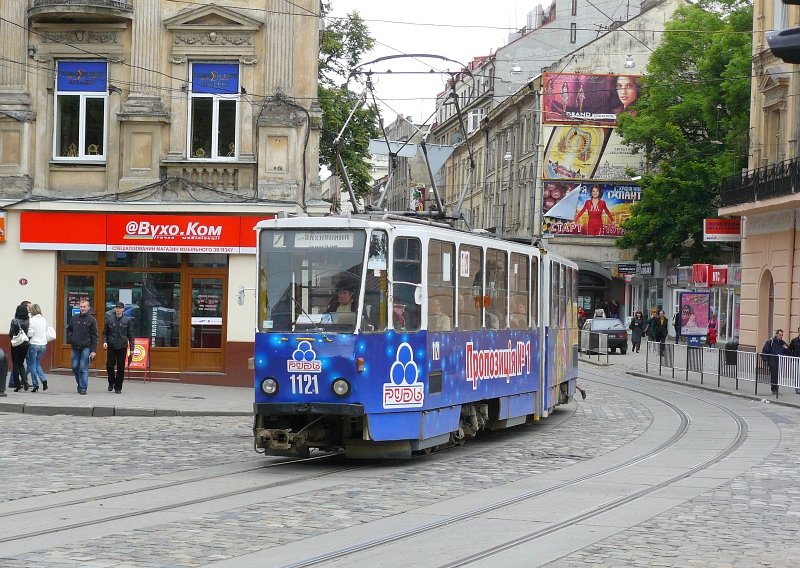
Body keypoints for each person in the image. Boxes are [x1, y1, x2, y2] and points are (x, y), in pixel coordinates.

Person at [67, 300, 98, 395]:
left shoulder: (91, 319)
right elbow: (69, 329)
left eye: (84, 307)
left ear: (88, 308)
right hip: (75, 346)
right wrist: (71, 338)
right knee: (74, 367)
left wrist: (93, 351)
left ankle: (83, 388)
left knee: (83, 368)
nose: (82, 308)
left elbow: (95, 336)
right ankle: (79, 384)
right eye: (81, 307)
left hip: (86, 347)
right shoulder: (74, 318)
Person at [103, 302, 135, 394]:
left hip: (122, 346)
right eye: (117, 307)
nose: (118, 309)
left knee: (121, 367)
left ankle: (118, 387)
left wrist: (132, 348)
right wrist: (105, 341)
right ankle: (111, 382)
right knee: (109, 365)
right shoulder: (109, 319)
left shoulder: (127, 320)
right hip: (111, 345)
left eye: (120, 308)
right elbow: (105, 332)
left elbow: (131, 335)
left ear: (123, 309)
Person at [26, 304, 49, 393]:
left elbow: (30, 333)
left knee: (32, 364)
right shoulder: (44, 319)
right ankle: (44, 380)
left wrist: (27, 335)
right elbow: (46, 331)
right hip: (43, 344)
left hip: (34, 344)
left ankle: (35, 385)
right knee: (37, 364)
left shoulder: (32, 320)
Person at [9, 303, 31, 392]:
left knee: (15, 363)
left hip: (16, 344)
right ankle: (25, 382)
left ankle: (17, 385)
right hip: (25, 343)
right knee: (21, 363)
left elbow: (11, 333)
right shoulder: (28, 321)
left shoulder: (14, 321)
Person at [762, 329, 787, 398]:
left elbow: (788, 351)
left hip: (780, 362)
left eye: (782, 335)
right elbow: (765, 350)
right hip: (772, 361)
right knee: (774, 375)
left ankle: (776, 388)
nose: (781, 336)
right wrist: (766, 360)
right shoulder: (771, 342)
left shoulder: (782, 343)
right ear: (776, 335)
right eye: (780, 335)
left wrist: (786, 348)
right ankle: (774, 389)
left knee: (778, 375)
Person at [788, 326, 800, 395]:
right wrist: (793, 356)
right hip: (796, 360)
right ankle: (797, 389)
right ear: (798, 332)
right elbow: (789, 349)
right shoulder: (794, 340)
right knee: (797, 374)